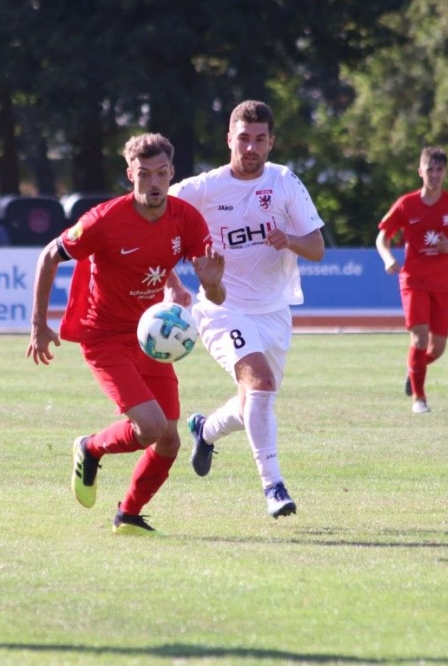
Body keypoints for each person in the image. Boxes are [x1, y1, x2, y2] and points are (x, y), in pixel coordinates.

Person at [26, 133, 225, 535]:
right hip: (104, 336)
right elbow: (49, 256)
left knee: (169, 440)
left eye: (162, 173)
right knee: (150, 428)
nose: (154, 182)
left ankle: (129, 515)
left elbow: (212, 292)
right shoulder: (104, 220)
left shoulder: (187, 219)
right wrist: (38, 324)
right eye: (144, 174)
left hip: (149, 338)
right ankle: (90, 447)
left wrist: (210, 284)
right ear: (130, 174)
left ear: (172, 173)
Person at [169, 100, 326, 519]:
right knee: (260, 383)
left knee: (256, 400)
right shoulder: (204, 187)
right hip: (221, 307)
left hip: (274, 313)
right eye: (243, 138)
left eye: (259, 139)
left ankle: (205, 430)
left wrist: (289, 239)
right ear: (229, 139)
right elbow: (155, 215)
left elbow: (317, 248)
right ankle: (273, 486)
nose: (251, 147)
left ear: (271, 142)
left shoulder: (284, 181)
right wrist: (171, 282)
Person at [375, 146, 448, 414]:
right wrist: (387, 258)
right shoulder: (406, 204)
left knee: (437, 348)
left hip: (444, 281)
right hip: (414, 280)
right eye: (429, 169)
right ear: (420, 172)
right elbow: (382, 237)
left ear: (445, 173)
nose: (434, 175)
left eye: (439, 170)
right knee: (419, 340)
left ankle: (413, 369)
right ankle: (419, 399)